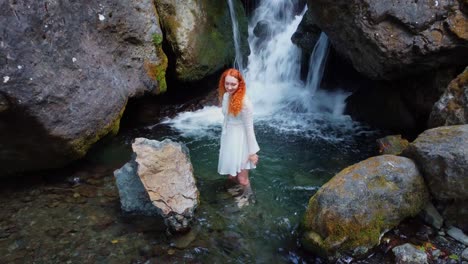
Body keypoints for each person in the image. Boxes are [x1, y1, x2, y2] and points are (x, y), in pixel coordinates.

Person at [217, 68, 260, 205]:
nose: (229, 87)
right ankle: (236, 194)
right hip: (229, 138)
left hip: (242, 141)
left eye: (233, 84)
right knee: (231, 174)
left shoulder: (245, 103)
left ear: (240, 84)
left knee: (242, 178)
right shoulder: (226, 96)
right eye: (227, 83)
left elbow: (249, 128)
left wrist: (252, 152)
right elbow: (226, 119)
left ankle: (249, 200)